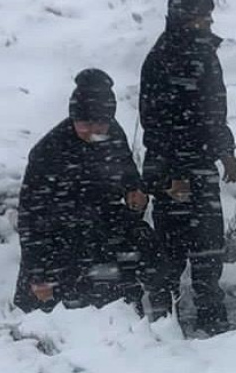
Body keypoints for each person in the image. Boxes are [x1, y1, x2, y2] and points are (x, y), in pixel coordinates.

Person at [14, 69, 169, 316]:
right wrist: (37, 274)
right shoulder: (48, 151)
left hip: (105, 226)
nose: (93, 130)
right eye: (85, 124)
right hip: (57, 233)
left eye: (100, 123)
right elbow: (29, 218)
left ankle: (159, 320)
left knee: (147, 254)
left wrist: (135, 193)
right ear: (73, 119)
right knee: (52, 311)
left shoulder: (113, 135)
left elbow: (129, 176)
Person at [140, 0, 236, 335]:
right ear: (184, 18)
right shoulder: (160, 59)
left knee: (209, 250)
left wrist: (225, 150)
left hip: (203, 166)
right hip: (175, 170)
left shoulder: (206, 55)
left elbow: (215, 109)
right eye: (202, 18)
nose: (208, 24)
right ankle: (165, 327)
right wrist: (168, 179)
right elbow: (154, 125)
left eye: (209, 17)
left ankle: (213, 321)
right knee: (170, 256)